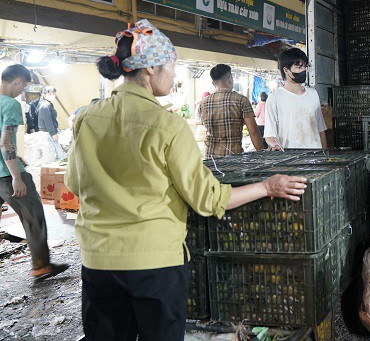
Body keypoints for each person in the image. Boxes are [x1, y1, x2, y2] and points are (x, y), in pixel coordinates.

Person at [65, 19, 307, 341]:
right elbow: (207, 200)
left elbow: (74, 183)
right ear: (151, 68)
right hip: (154, 264)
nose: (175, 74)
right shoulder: (167, 126)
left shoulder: (86, 117)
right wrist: (267, 186)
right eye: (172, 65)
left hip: (97, 262)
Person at [0, 64, 68, 281]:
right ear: (18, 81)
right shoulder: (9, 104)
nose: (22, 92)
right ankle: (41, 266)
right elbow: (6, 143)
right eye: (24, 87)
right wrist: (16, 177)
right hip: (5, 174)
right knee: (33, 217)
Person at [264, 48, 327, 150]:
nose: (303, 70)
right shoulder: (275, 98)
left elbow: (320, 129)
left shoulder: (313, 94)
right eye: (298, 67)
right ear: (286, 70)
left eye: (305, 67)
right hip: (290, 160)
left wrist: (325, 155)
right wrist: (274, 144)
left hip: (315, 158)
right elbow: (270, 134)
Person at [199, 64, 264, 157]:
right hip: (233, 158)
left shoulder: (203, 103)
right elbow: (253, 131)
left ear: (213, 83)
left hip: (210, 157)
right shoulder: (241, 100)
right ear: (230, 78)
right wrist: (261, 154)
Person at [37, 85, 64, 159]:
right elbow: (47, 121)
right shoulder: (45, 106)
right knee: (59, 156)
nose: (53, 95)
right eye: (50, 94)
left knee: (56, 154)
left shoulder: (48, 104)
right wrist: (53, 134)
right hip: (48, 133)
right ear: (44, 94)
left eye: (53, 93)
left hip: (50, 132)